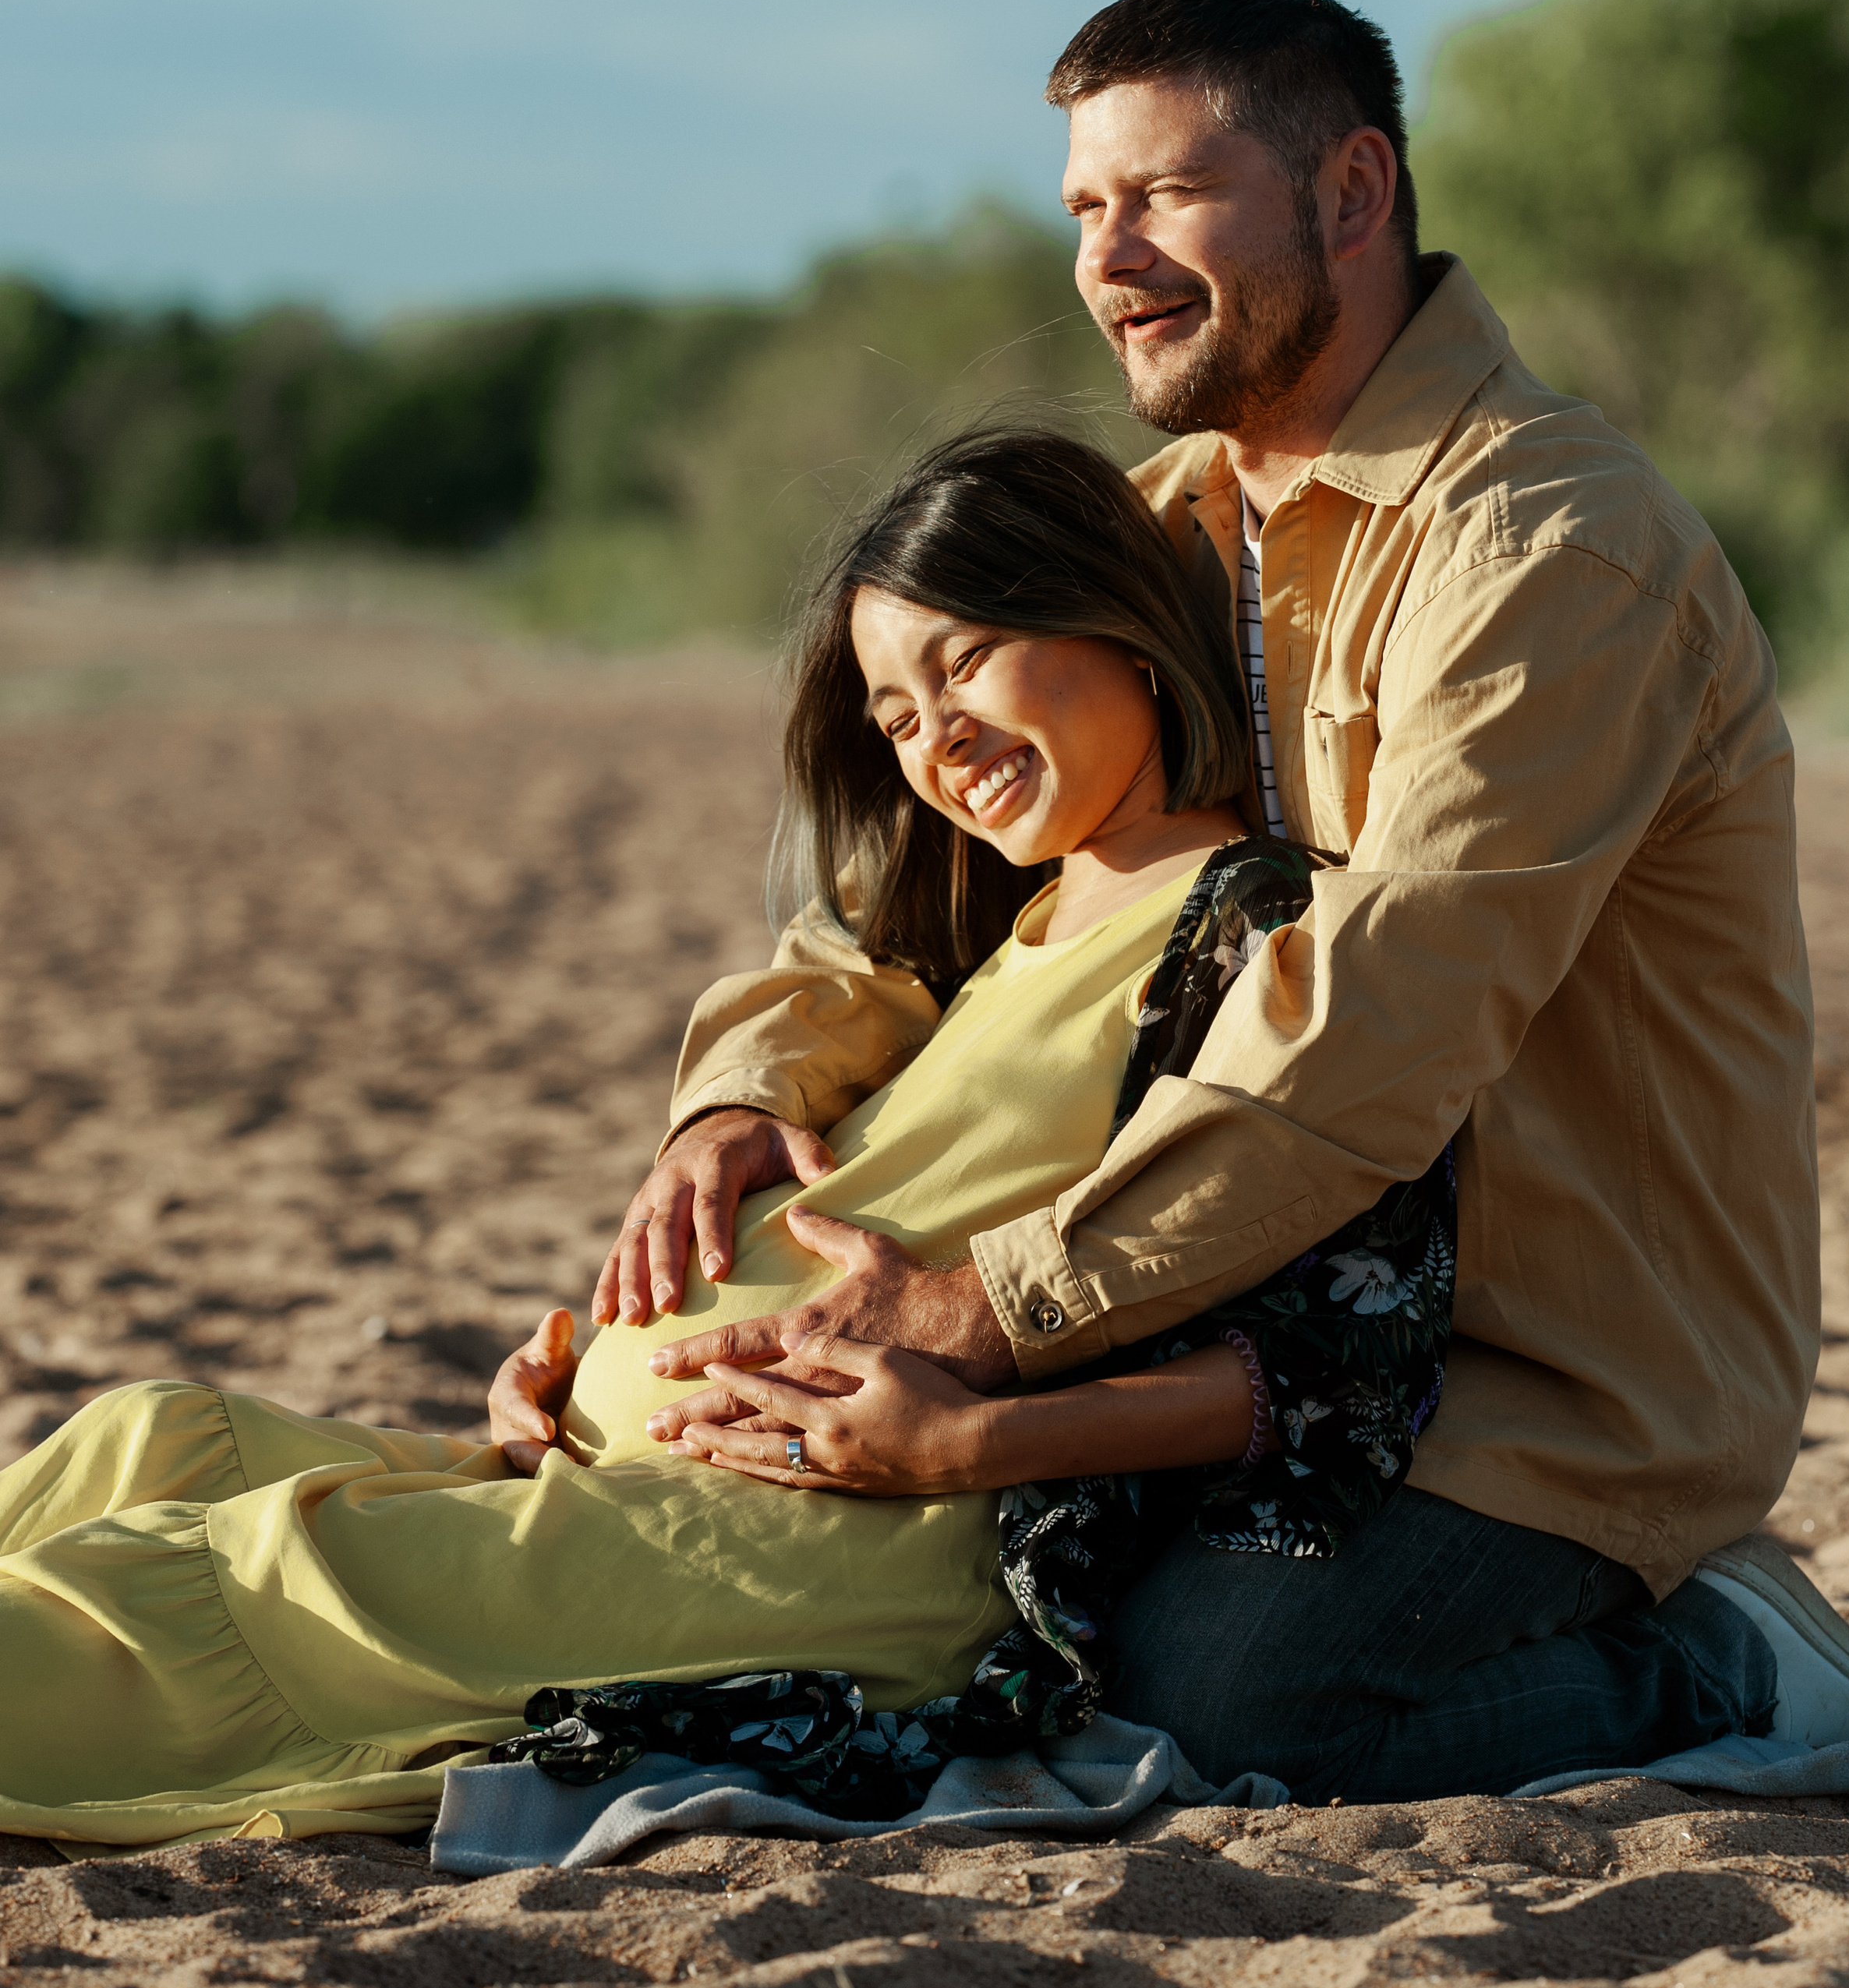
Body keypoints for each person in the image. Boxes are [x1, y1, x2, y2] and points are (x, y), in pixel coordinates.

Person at [625, 0, 1849, 1799]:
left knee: (1231, 1699)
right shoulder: (1157, 532)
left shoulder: (1554, 549)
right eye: (1082, 206)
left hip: (1531, 1372)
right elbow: (905, 890)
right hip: (1227, 1316)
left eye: (1162, 194)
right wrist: (737, 1102)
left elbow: (1383, 1005)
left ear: (1351, 195)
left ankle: (1712, 1657)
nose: (1107, 258)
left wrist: (999, 1311)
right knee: (941, 1606)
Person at [0, 433, 1444, 1849]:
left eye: (964, 663)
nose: (934, 739)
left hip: (852, 1530)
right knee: (156, 1436)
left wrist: (970, 1440)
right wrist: (603, 1359)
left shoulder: (1255, 925)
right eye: (894, 714)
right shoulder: (990, 926)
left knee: (259, 1573)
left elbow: (1345, 1361)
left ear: (1120, 625)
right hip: (610, 1469)